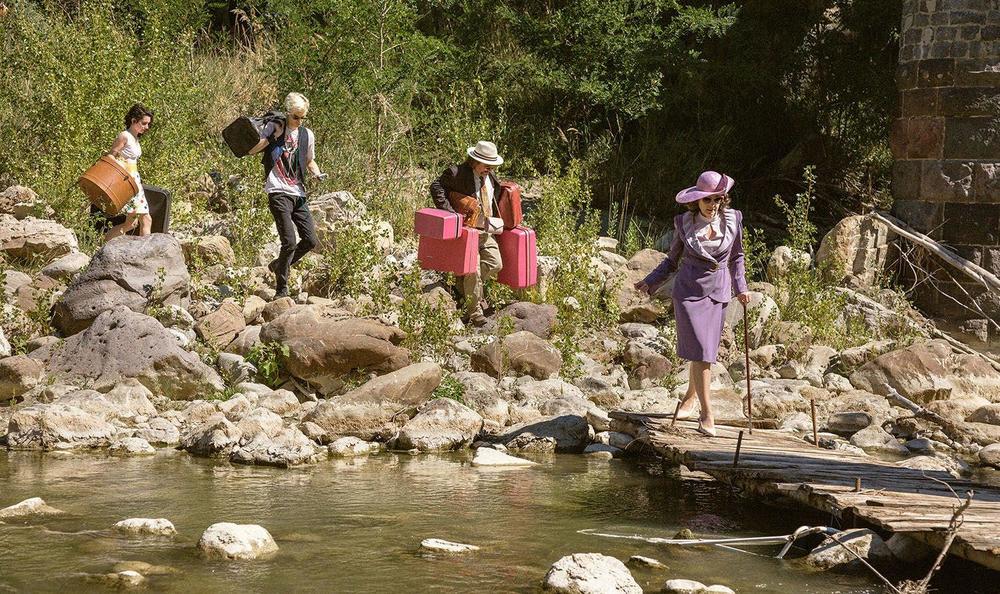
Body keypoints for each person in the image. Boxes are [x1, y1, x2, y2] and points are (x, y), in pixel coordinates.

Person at [635, 171, 750, 437]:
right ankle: (707, 414)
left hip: (718, 293)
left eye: (718, 200)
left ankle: (689, 396)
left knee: (704, 352)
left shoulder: (733, 220)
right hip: (688, 292)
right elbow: (671, 261)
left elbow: (737, 258)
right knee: (701, 353)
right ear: (697, 201)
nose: (713, 205)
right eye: (708, 201)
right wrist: (650, 281)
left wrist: (741, 288)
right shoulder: (684, 224)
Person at [248, 92, 325, 298]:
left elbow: (309, 161)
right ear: (288, 113)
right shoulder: (275, 127)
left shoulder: (307, 135)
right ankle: (281, 289)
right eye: (295, 117)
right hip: (277, 190)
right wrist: (271, 137)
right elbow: (253, 150)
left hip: (297, 192)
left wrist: (317, 173)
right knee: (289, 241)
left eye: (302, 118)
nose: (299, 121)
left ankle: (278, 265)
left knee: (310, 240)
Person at [429, 141, 505, 326]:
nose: (490, 168)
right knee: (473, 269)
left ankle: (461, 289)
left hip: (484, 230)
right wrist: (451, 213)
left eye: (492, 165)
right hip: (466, 231)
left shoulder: (491, 177)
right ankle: (474, 311)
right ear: (474, 161)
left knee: (495, 264)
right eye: (486, 164)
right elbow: (436, 186)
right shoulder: (456, 173)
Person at [104, 103, 154, 240]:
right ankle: (144, 252)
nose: (146, 127)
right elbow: (110, 157)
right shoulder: (124, 136)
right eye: (144, 123)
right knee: (145, 219)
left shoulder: (135, 138)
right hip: (127, 182)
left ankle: (105, 241)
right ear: (133, 120)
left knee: (132, 223)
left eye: (148, 124)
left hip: (135, 182)